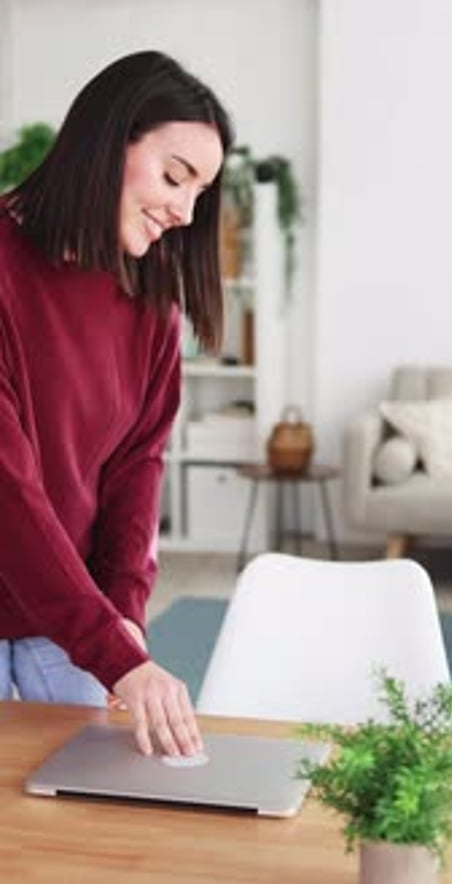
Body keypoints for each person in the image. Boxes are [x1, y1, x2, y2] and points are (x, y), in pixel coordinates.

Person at [0, 50, 234, 757]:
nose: (184, 210)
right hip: (74, 623)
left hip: (66, 627)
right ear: (109, 141)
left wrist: (124, 615)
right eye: (173, 176)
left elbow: (139, 466)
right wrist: (113, 650)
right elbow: (7, 485)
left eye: (199, 192)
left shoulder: (150, 306)